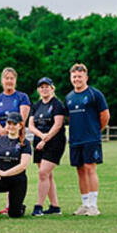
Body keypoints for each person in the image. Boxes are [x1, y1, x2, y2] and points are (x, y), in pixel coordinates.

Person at [65, 63, 110, 217]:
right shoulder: (69, 97)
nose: (77, 79)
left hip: (91, 139)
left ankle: (93, 205)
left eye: (80, 76)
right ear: (71, 78)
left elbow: (105, 116)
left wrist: (95, 131)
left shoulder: (94, 94)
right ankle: (84, 204)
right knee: (80, 170)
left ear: (86, 77)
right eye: (74, 76)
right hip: (75, 140)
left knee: (90, 168)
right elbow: (70, 118)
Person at [0, 67, 30, 215]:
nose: (9, 81)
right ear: (2, 81)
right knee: (1, 167)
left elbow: (22, 118)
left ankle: (11, 205)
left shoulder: (22, 97)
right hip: (0, 137)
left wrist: (9, 130)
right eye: (6, 78)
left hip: (15, 136)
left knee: (13, 168)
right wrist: (1, 131)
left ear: (15, 80)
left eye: (11, 78)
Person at [28, 77, 67, 216]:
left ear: (52, 88)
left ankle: (38, 206)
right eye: (41, 87)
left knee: (43, 173)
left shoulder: (57, 104)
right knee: (47, 175)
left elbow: (58, 125)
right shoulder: (37, 105)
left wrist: (46, 139)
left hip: (54, 143)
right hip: (39, 142)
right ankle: (55, 207)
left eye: (47, 86)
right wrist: (41, 136)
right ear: (38, 89)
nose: (44, 89)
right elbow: (31, 125)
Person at [0, 112, 32, 220]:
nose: (11, 126)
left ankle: (20, 207)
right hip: (2, 179)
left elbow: (23, 165)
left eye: (14, 124)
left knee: (14, 214)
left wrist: (5, 173)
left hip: (17, 180)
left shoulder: (25, 143)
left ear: (20, 125)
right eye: (9, 123)